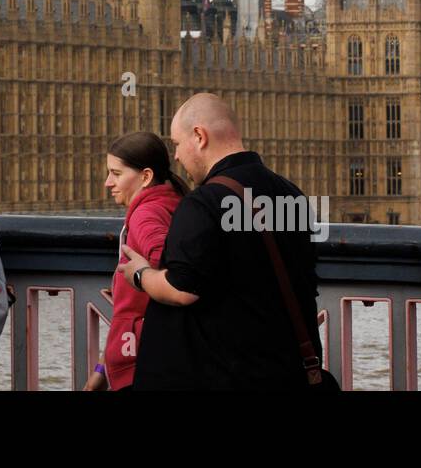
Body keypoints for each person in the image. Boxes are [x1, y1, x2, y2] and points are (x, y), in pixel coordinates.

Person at [126, 92, 325, 390]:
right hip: (284, 372)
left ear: (199, 136)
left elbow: (183, 288)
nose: (176, 157)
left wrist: (141, 275)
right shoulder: (292, 195)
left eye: (178, 144)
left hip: (221, 374)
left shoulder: (203, 203)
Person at [84, 132, 183, 392]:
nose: (108, 182)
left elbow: (175, 273)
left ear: (146, 176)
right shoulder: (173, 204)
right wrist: (102, 369)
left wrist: (141, 275)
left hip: (142, 369)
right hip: (151, 360)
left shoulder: (146, 215)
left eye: (116, 173)